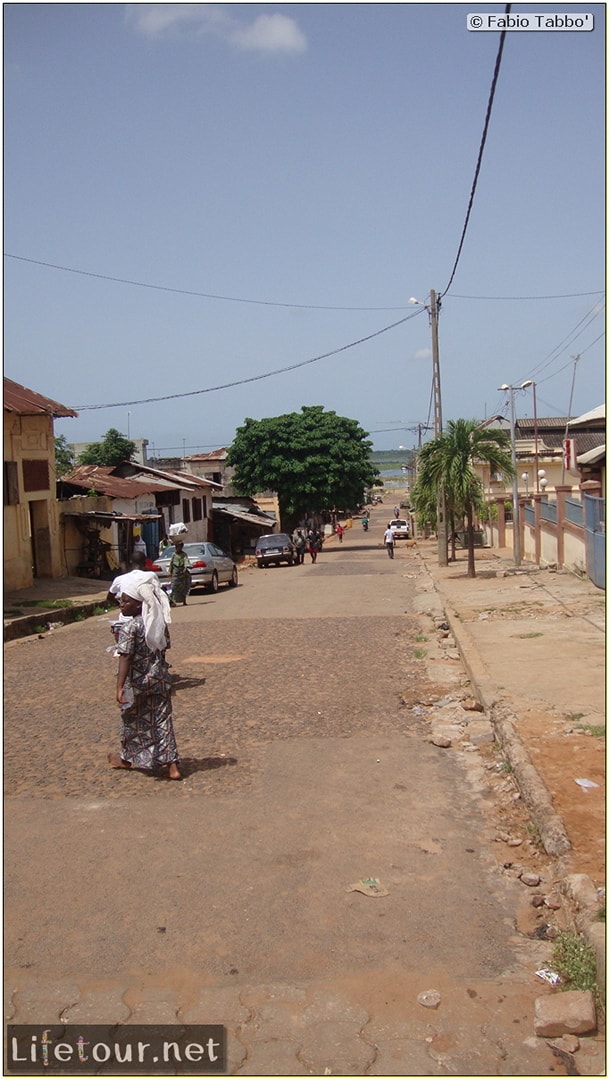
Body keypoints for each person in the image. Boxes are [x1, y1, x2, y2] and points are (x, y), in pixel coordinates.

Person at [108, 576, 181, 780]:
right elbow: (163, 648)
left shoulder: (129, 628)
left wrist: (119, 686)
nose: (121, 604)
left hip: (137, 683)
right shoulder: (158, 624)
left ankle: (127, 758)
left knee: (132, 721)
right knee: (163, 721)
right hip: (159, 680)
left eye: (126, 601)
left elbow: (126, 657)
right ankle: (172, 766)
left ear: (139, 605)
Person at [168, 540, 190, 606]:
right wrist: (170, 572)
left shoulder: (184, 554)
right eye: (176, 547)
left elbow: (186, 561)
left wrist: (186, 567)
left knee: (184, 587)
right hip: (175, 574)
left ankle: (184, 601)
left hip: (182, 574)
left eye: (179, 547)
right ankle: (172, 602)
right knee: (173, 588)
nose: (177, 548)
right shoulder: (174, 555)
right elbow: (171, 564)